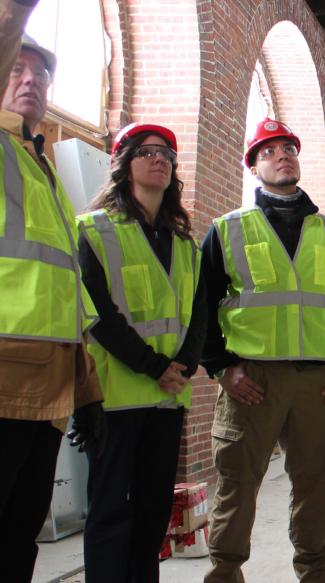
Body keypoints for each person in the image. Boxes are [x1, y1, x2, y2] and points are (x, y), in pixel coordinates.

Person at [201, 117, 325, 583]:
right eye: (268, 151)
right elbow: (203, 305)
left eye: (288, 147)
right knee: (237, 482)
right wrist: (221, 368)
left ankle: (314, 572)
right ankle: (225, 572)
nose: (281, 155)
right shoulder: (228, 229)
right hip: (251, 379)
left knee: (316, 482)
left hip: (317, 382)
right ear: (254, 166)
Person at [0, 4, 105, 580]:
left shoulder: (40, 169)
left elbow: (68, 297)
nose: (31, 80)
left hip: (45, 393)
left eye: (41, 75)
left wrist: (85, 392)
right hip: (3, 383)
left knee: (20, 538)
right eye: (16, 67)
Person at [77, 122, 206, 582]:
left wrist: (185, 366)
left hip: (167, 398)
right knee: (111, 514)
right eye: (147, 152)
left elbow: (198, 312)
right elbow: (97, 314)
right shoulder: (93, 230)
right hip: (116, 398)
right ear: (124, 163)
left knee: (153, 512)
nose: (160, 160)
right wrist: (156, 367)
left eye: (168, 155)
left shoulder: (186, 244)